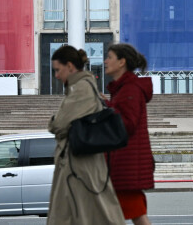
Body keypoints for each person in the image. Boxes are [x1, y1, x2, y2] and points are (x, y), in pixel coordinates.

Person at [47, 45, 125, 225]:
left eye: (58, 70)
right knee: (81, 213)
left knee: (89, 213)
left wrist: (53, 122)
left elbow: (59, 125)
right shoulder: (79, 87)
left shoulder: (81, 88)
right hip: (78, 165)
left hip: (80, 167)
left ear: (70, 66)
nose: (56, 75)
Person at [104, 43, 155, 225]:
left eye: (109, 57)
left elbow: (127, 124)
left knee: (134, 213)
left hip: (126, 165)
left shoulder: (130, 88)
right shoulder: (123, 88)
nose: (105, 61)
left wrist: (106, 108)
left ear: (121, 62)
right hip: (125, 164)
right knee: (132, 214)